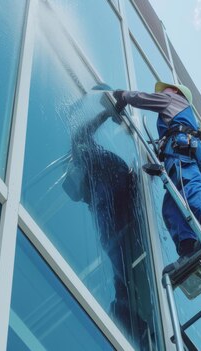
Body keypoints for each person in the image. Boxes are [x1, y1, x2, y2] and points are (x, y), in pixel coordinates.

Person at [113, 82, 201, 269]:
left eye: (165, 89)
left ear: (176, 91)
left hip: (181, 154)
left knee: (189, 185)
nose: (161, 92)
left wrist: (124, 96)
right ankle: (188, 249)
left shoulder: (174, 99)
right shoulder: (177, 118)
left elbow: (145, 99)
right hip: (178, 155)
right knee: (171, 207)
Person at [63, 104, 151, 346]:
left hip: (124, 220)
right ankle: (130, 324)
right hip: (119, 224)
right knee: (125, 275)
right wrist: (106, 113)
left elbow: (80, 135)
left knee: (125, 276)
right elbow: (80, 135)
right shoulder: (91, 170)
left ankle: (129, 322)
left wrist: (106, 113)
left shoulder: (93, 162)